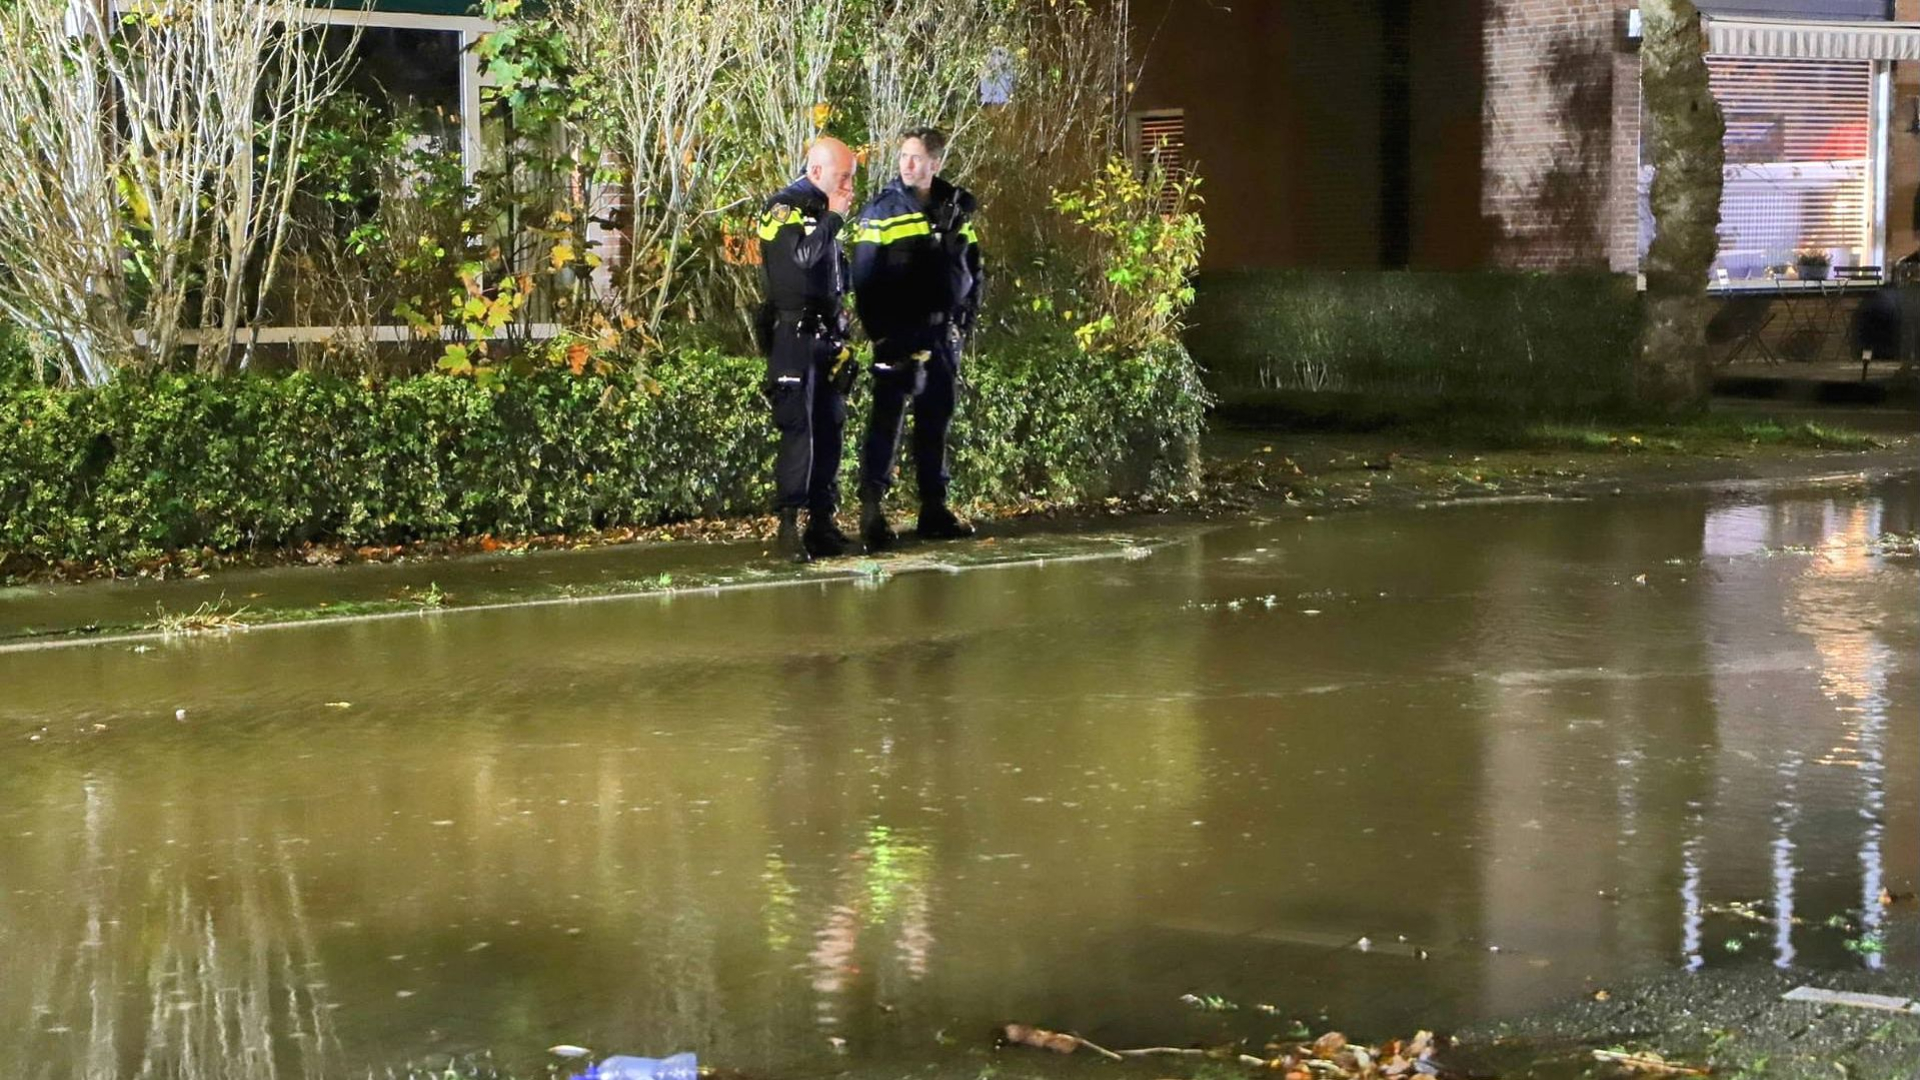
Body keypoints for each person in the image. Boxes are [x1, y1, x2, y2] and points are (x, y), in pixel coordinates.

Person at [850, 127, 983, 552]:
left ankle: (933, 508)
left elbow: (974, 270)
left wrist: (963, 320)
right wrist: (882, 335)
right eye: (903, 156)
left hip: (943, 334)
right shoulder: (882, 211)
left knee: (935, 421)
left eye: (915, 157)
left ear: (935, 163)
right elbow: (865, 280)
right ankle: (872, 511)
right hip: (898, 333)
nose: (907, 163)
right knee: (886, 422)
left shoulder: (956, 210)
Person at [756, 137, 859, 562]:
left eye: (852, 178)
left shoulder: (825, 211)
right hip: (794, 338)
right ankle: (787, 528)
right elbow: (800, 259)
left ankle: (822, 523)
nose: (850, 187)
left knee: (830, 428)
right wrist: (834, 217)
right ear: (817, 173)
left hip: (827, 335)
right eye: (844, 178)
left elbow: (833, 270)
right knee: (800, 431)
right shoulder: (783, 208)